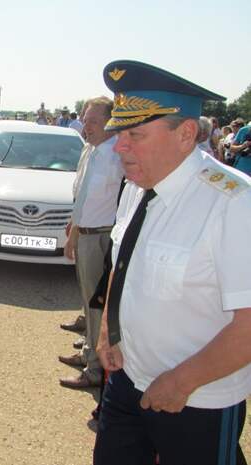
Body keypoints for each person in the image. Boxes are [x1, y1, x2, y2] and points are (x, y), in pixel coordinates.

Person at [94, 59, 251, 465]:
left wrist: (181, 383)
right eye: (118, 133)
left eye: (135, 133)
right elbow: (123, 263)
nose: (119, 146)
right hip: (127, 382)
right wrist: (108, 328)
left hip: (196, 398)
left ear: (185, 134)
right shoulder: (138, 184)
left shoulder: (235, 202)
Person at [58, 97, 123, 390]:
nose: (87, 126)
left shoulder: (118, 155)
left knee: (98, 306)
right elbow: (82, 195)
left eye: (94, 121)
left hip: (101, 237)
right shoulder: (90, 151)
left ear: (111, 122)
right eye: (85, 119)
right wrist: (73, 228)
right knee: (87, 301)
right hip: (84, 233)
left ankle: (95, 370)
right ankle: (88, 353)